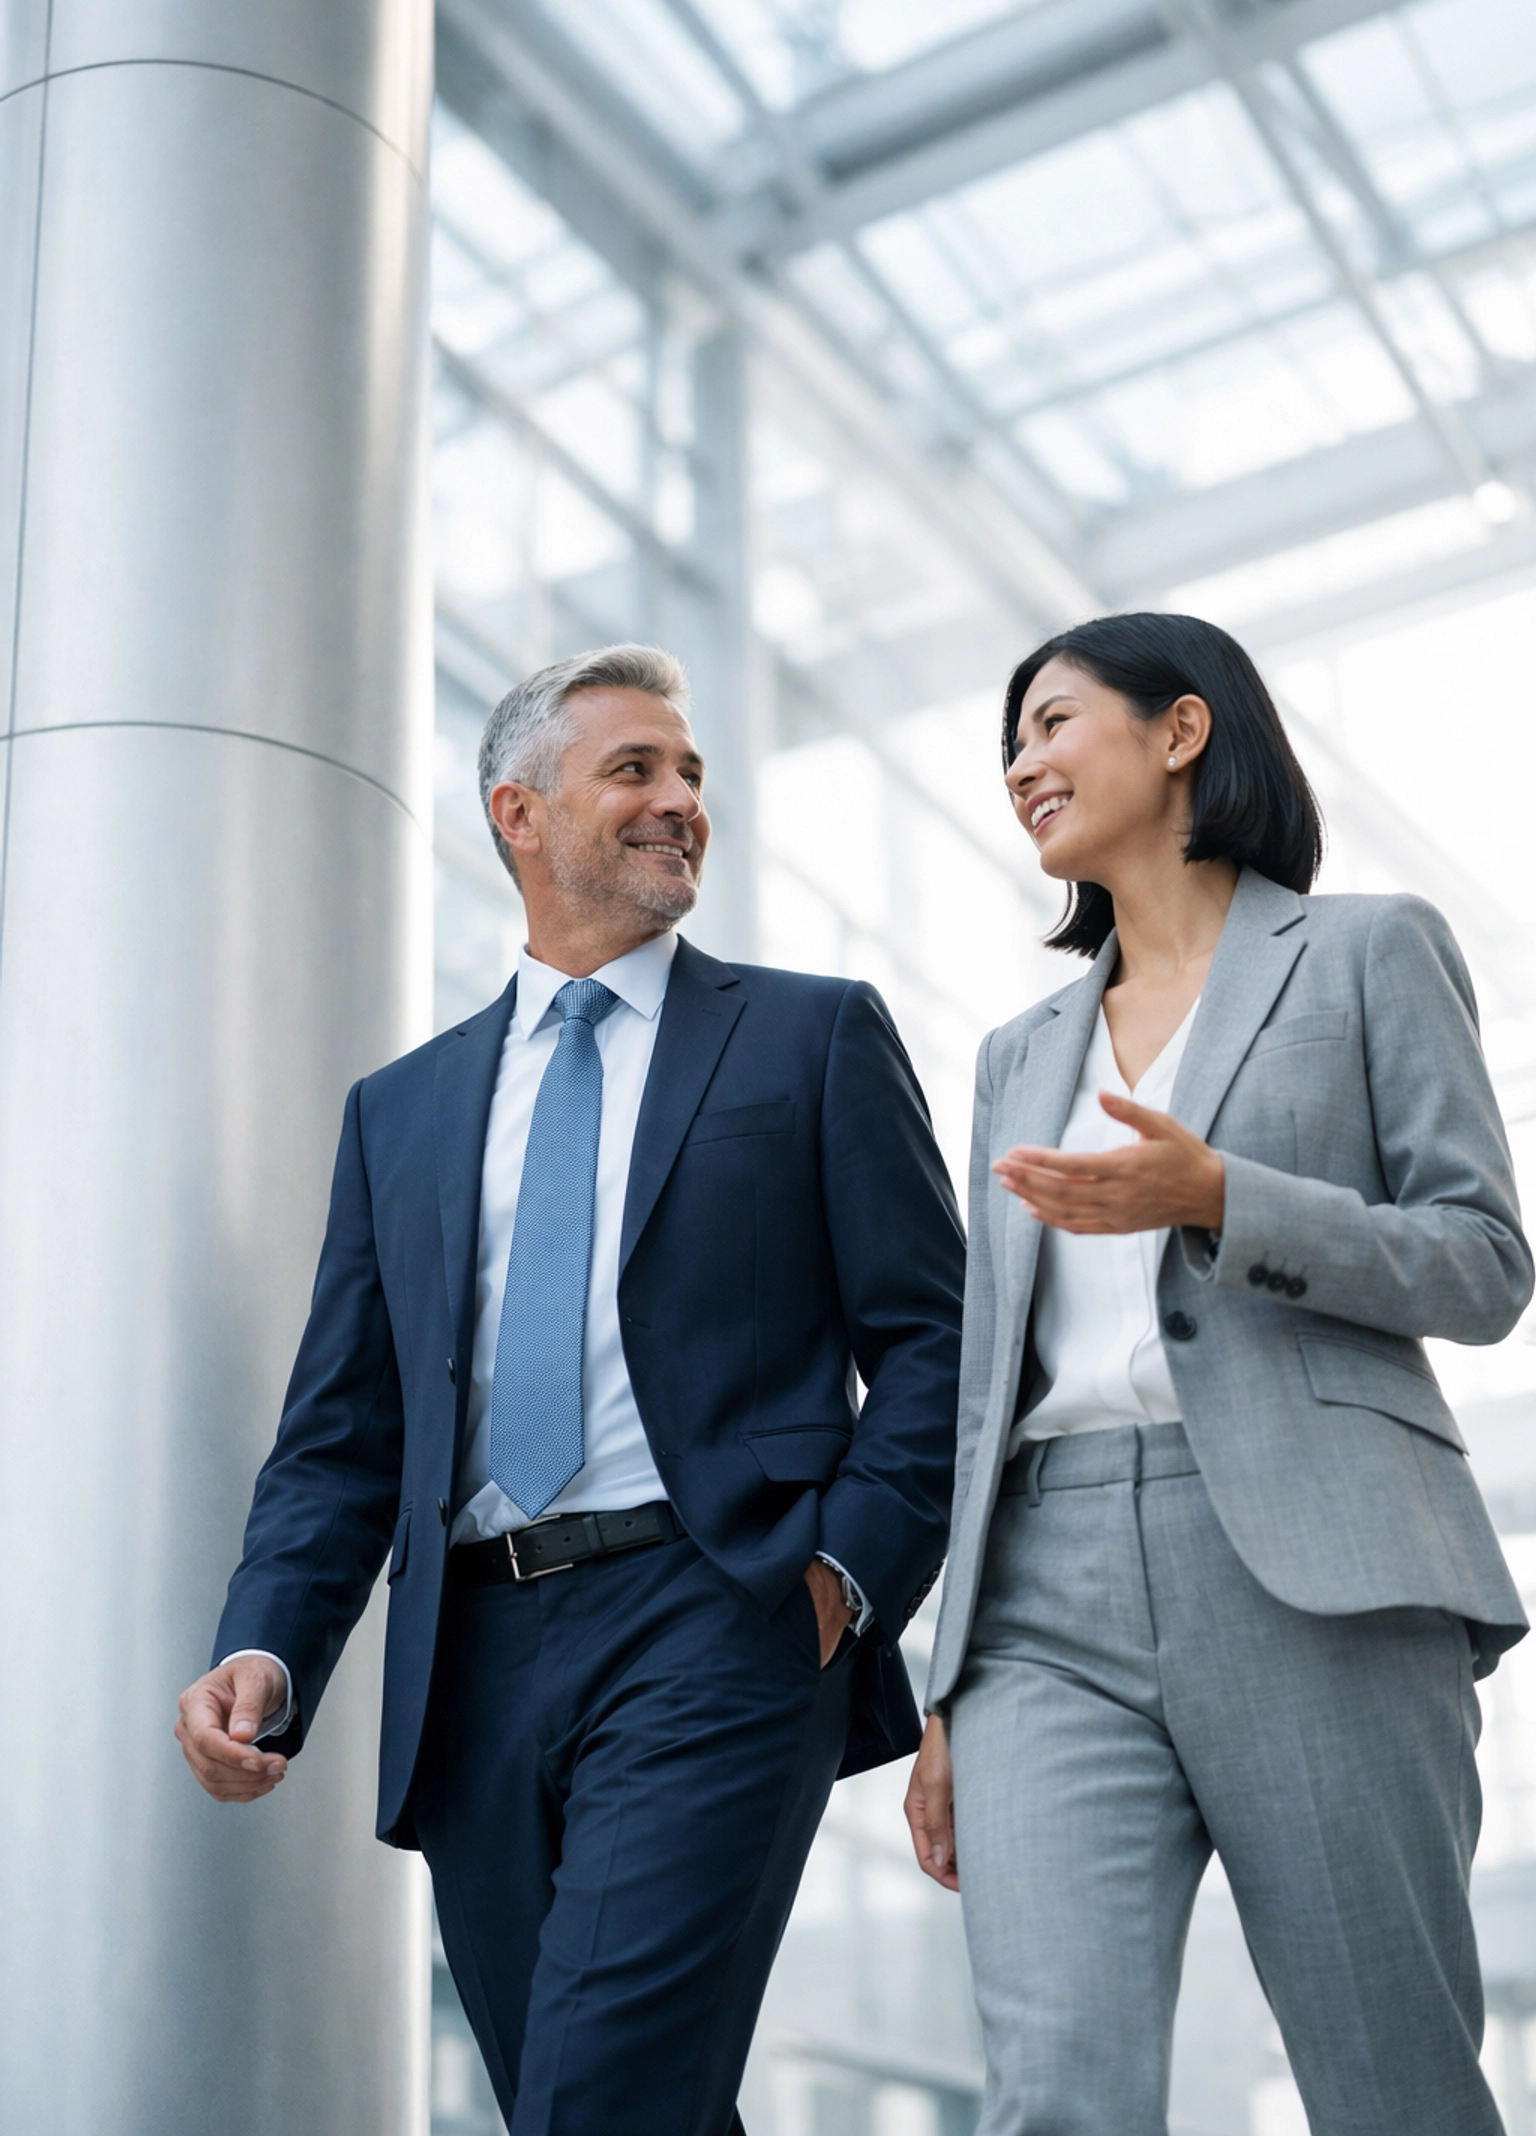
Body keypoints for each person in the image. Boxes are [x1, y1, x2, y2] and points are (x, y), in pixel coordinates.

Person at [176, 643, 964, 2136]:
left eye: (693, 776)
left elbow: (938, 1340)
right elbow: (343, 1435)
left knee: (598, 2098)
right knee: (590, 2092)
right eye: (637, 771)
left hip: (718, 1614)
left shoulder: (810, 1038)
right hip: (473, 1658)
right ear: (518, 814)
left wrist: (843, 1578)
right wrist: (267, 1649)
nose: (681, 803)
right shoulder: (401, 1112)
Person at [902, 613, 1531, 2136]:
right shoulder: (1019, 1048)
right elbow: (994, 1380)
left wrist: (1225, 1201)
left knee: (1390, 2084)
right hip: (1042, 1601)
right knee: (1054, 2092)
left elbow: (1483, 1264)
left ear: (1183, 730)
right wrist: (944, 1682)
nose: (1022, 765)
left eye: (1053, 723)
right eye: (1010, 744)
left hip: (1312, 1567)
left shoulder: (1369, 951)